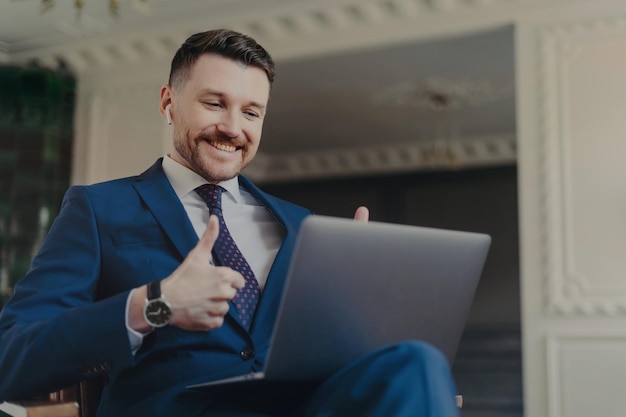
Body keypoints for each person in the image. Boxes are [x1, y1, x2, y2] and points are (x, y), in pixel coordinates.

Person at [0, 29, 460, 417]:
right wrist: (154, 305)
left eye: (251, 112)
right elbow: (12, 358)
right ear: (169, 102)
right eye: (215, 103)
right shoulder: (99, 209)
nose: (233, 127)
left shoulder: (305, 226)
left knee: (417, 363)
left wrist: (363, 314)